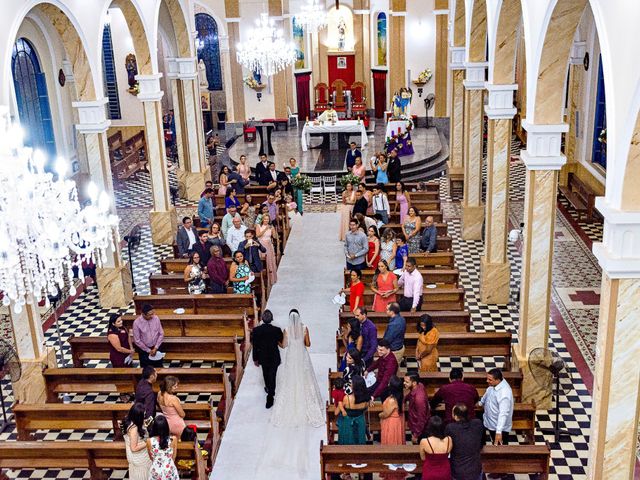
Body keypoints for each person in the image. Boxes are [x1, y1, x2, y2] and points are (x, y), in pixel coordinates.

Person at [271, 309, 325, 427]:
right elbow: (308, 344)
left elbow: (284, 345)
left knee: (290, 378)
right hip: (301, 355)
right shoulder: (304, 328)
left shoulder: (287, 329)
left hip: (292, 356)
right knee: (305, 377)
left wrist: (277, 342)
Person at [251, 310, 284, 409]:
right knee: (272, 375)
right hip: (274, 356)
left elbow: (255, 346)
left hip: (263, 357)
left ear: (262, 319)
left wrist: (255, 359)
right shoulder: (277, 330)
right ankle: (271, 393)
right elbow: (281, 341)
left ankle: (269, 391)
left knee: (265, 373)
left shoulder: (256, 330)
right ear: (271, 319)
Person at [445, 403, 485, 480]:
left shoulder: (450, 428)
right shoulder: (478, 423)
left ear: (456, 416)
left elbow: (447, 446)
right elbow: (482, 441)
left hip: (458, 471)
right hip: (475, 470)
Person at [479, 368, 514, 446]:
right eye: (487, 378)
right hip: (490, 421)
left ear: (498, 380)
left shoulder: (504, 393)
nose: (487, 381)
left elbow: (503, 413)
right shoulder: (494, 385)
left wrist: (498, 432)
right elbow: (488, 392)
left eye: (490, 380)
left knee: (500, 447)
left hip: (498, 426)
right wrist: (481, 403)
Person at [380, 376, 405, 480]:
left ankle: (391, 474)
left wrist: (379, 415)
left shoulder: (391, 400)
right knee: (396, 440)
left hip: (391, 423)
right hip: (397, 421)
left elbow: (385, 414)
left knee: (391, 441)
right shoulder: (399, 396)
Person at [335, 375, 369, 445]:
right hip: (360, 423)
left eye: (352, 383)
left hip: (347, 424)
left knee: (347, 443)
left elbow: (336, 412)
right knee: (359, 443)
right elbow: (364, 411)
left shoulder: (347, 398)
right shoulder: (366, 400)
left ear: (354, 386)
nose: (350, 384)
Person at [122, 403, 152, 479]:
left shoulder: (127, 419)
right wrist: (147, 442)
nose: (145, 416)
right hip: (139, 457)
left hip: (133, 455)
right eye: (143, 415)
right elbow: (134, 448)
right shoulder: (134, 429)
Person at [146, 415, 179, 480]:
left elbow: (151, 457)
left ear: (154, 427)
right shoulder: (173, 439)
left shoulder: (149, 441)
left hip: (156, 470)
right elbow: (174, 456)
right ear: (166, 426)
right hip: (169, 470)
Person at [404, 373, 430, 443]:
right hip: (414, 422)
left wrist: (416, 435)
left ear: (414, 383)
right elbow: (411, 393)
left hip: (419, 428)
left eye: (407, 382)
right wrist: (405, 399)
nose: (404, 383)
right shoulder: (419, 385)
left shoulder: (419, 399)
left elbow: (422, 419)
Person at [256, 214, 278, 286]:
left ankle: (271, 278)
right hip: (261, 245)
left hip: (268, 245)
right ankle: (263, 279)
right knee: (262, 260)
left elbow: (274, 237)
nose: (266, 220)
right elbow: (258, 235)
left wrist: (273, 229)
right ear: (262, 219)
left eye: (267, 219)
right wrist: (265, 229)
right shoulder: (258, 226)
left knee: (269, 260)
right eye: (265, 219)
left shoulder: (271, 227)